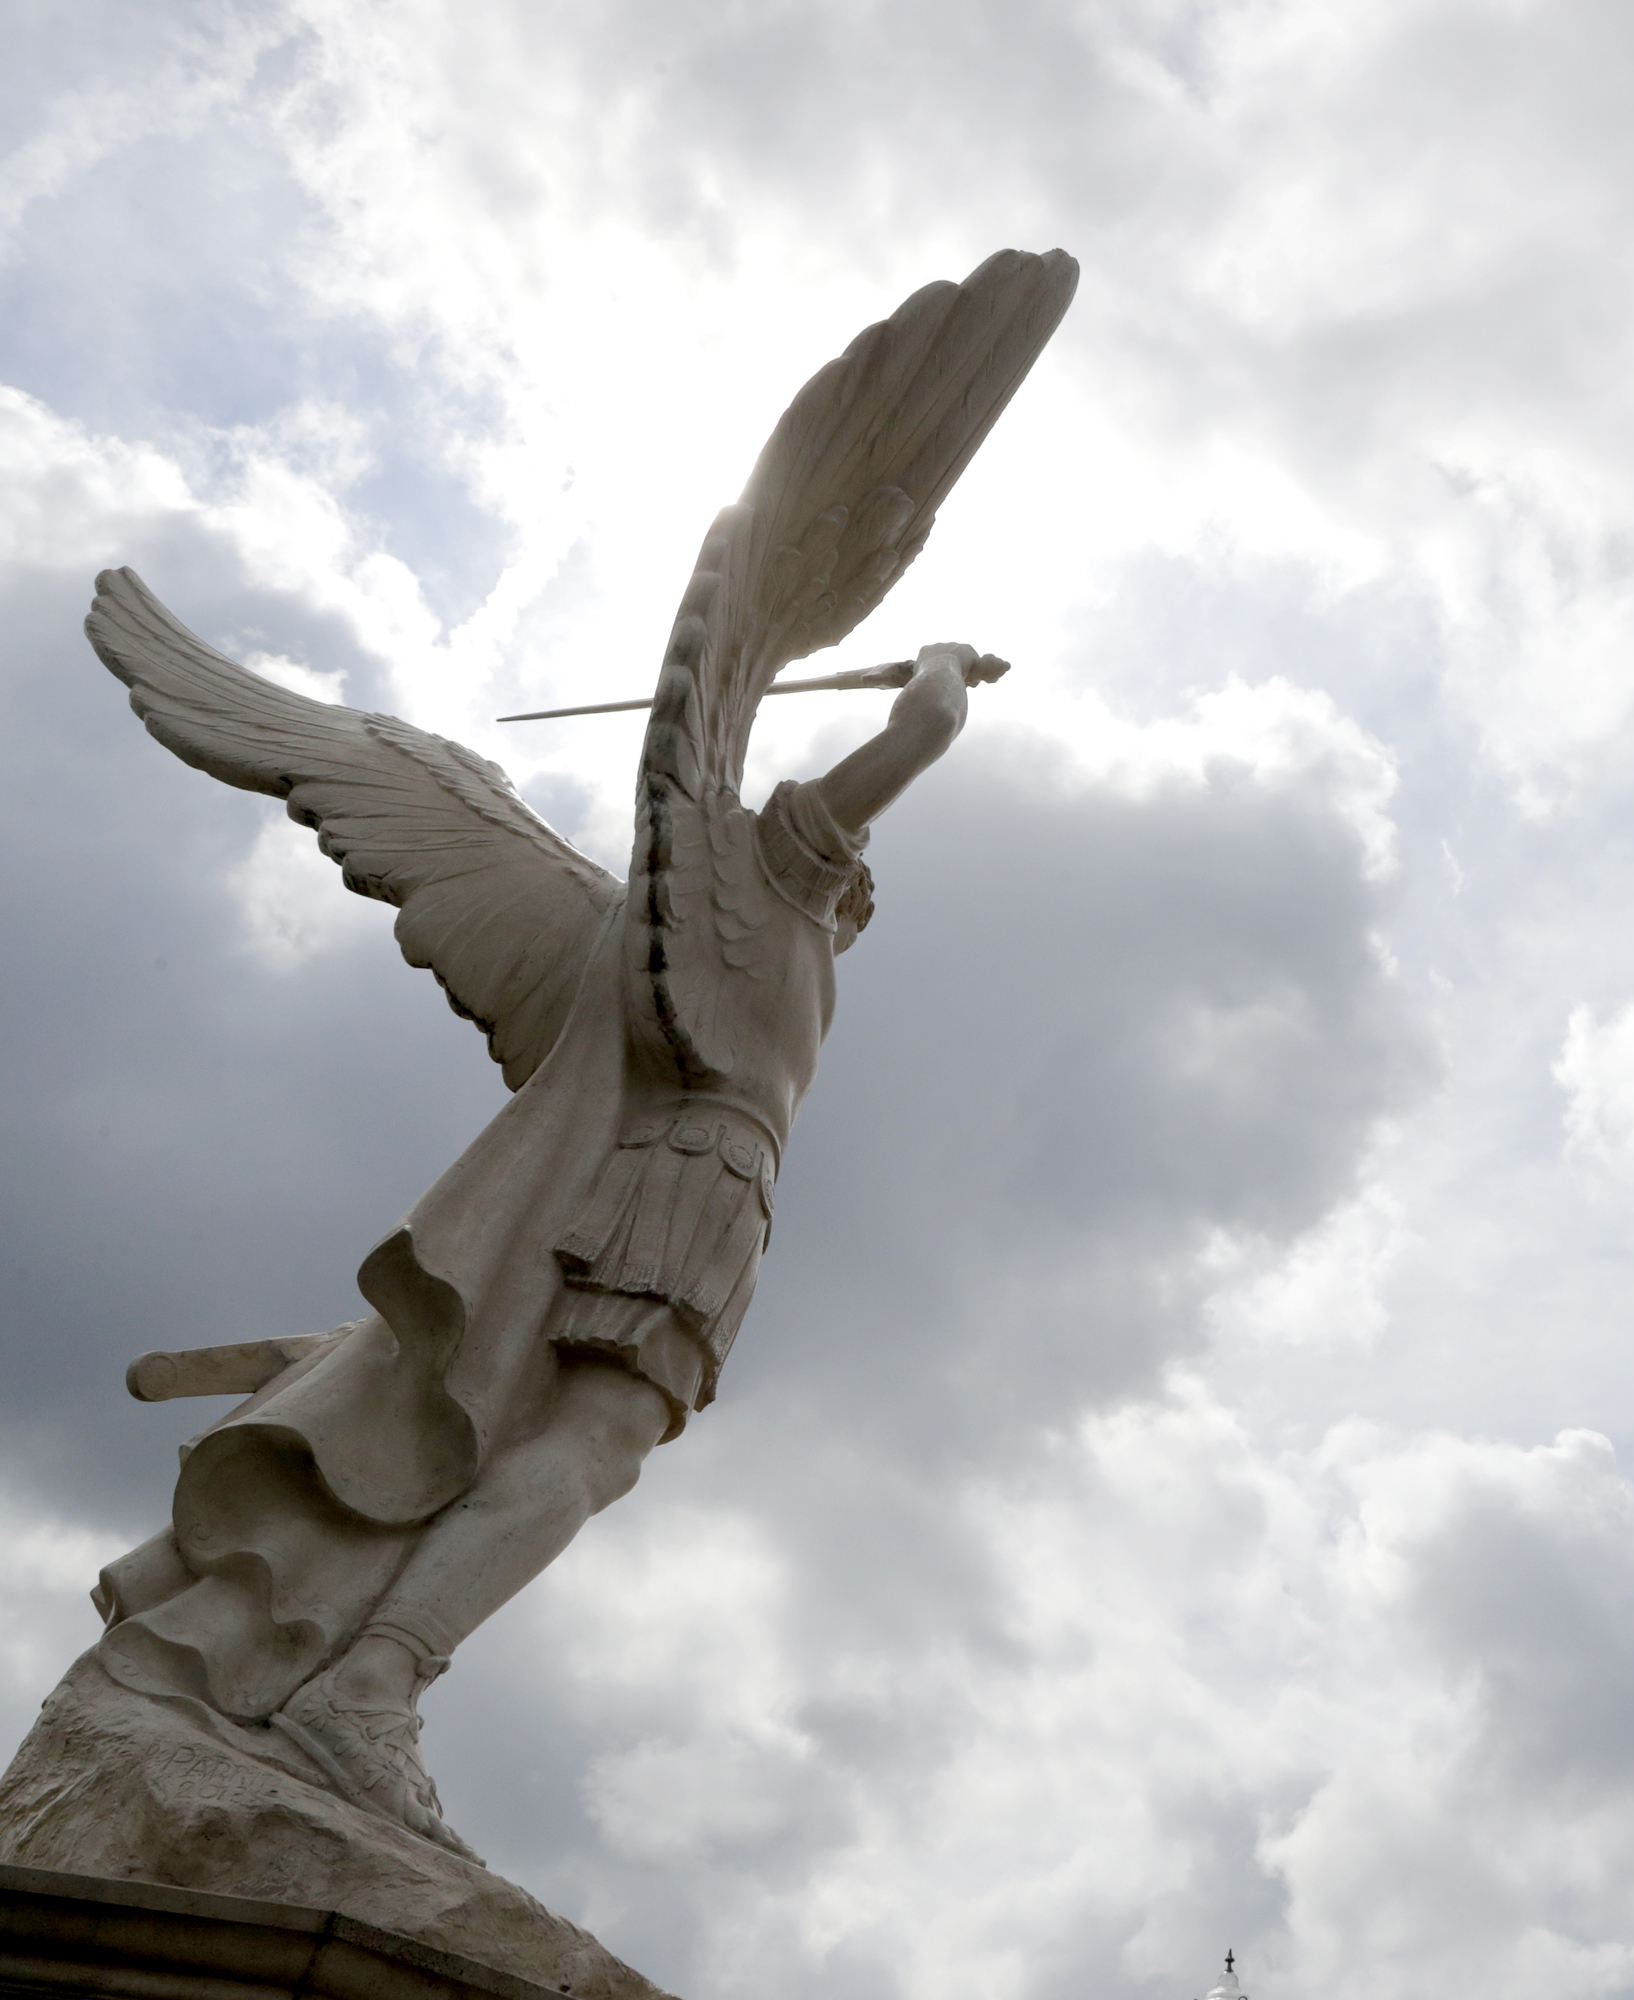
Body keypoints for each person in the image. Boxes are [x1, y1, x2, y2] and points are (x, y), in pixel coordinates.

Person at [68, 246, 1079, 1859]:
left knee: (547, 1435)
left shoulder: (636, 922)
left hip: (637, 1176)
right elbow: (903, 754)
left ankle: (342, 1670)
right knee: (592, 1448)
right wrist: (938, 684)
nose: (858, 894)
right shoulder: (770, 873)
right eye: (850, 875)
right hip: (691, 1185)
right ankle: (370, 1687)